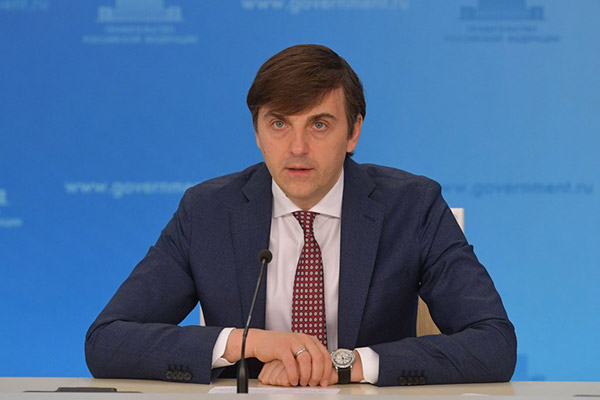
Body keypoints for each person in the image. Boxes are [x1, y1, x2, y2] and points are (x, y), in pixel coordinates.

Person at [85, 44, 516, 387]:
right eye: (279, 124)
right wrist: (247, 343)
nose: (297, 148)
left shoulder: (413, 206)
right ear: (257, 132)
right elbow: (107, 339)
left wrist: (345, 365)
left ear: (354, 131)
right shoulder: (208, 212)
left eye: (319, 125)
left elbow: (494, 343)